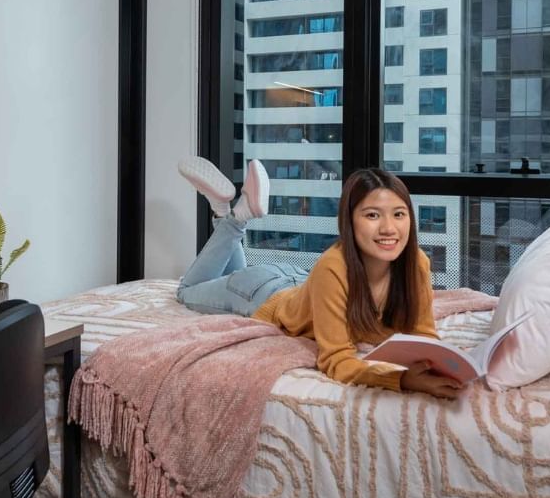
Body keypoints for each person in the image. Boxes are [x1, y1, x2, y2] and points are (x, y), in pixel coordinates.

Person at [176, 157, 460, 398]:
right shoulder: (334, 267)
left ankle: (223, 211)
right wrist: (402, 380)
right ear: (349, 221)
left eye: (399, 214)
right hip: (260, 294)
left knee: (232, 272)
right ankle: (235, 218)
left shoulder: (416, 263)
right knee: (187, 291)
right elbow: (336, 360)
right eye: (373, 215)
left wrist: (439, 365)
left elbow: (423, 334)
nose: (389, 228)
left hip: (296, 280)